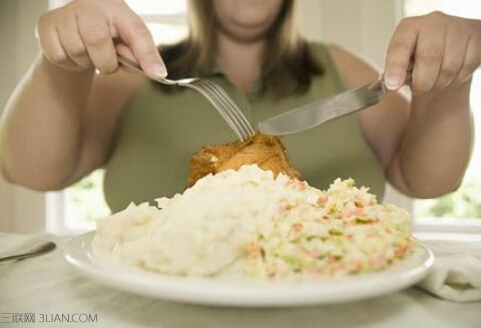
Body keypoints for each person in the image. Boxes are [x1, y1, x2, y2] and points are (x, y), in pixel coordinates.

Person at [0, 0, 478, 213]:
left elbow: (428, 181)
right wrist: (61, 65)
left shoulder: (342, 69)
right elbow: (31, 171)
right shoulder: (131, 75)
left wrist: (448, 80)